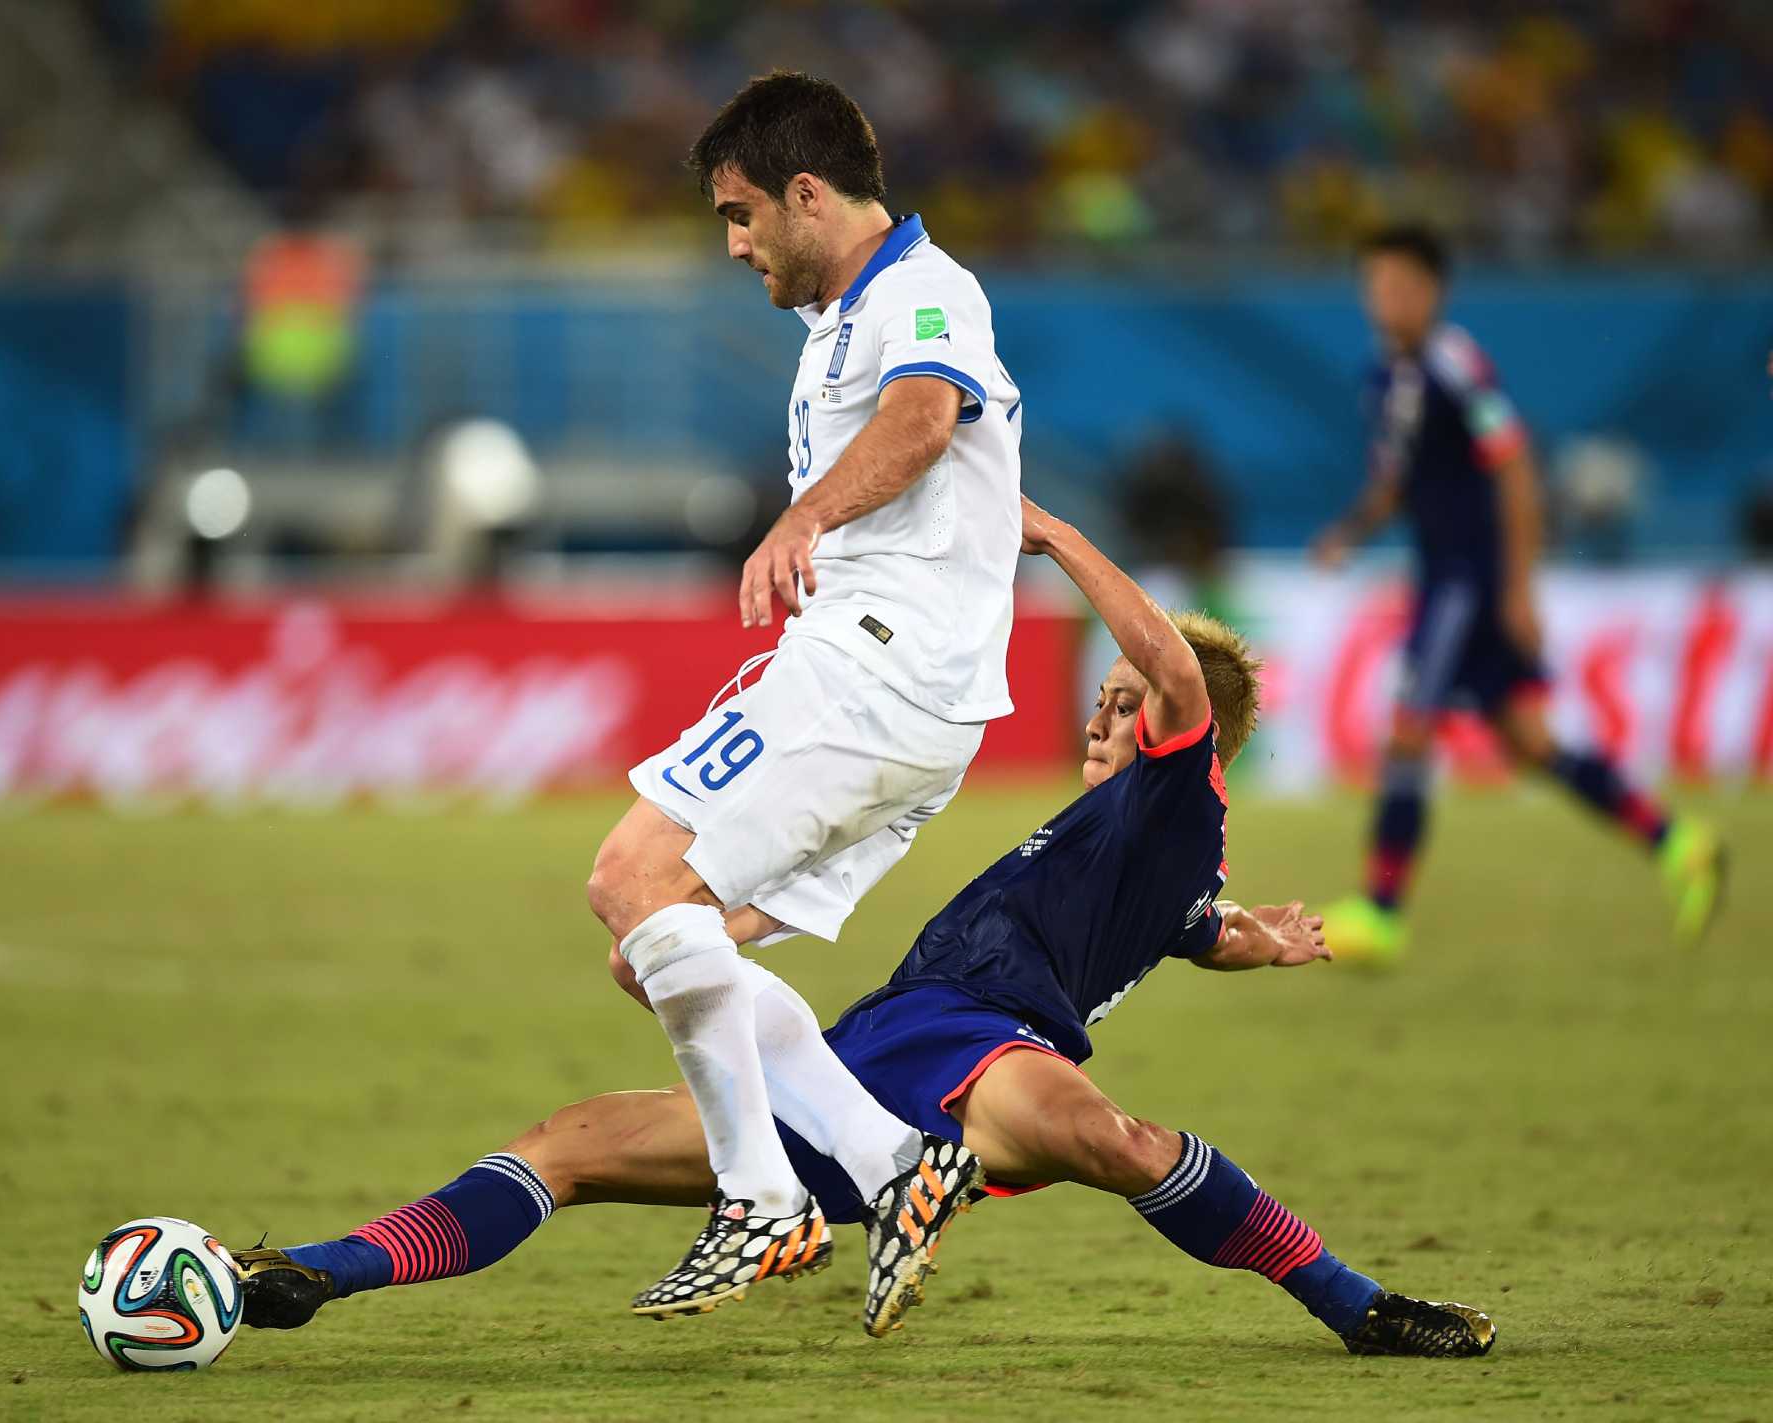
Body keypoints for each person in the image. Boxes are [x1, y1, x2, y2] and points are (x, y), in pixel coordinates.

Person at [231, 501, 1496, 1359]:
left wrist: (1052, 536)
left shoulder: (1175, 792)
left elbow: (1172, 675)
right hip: (866, 1056)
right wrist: (1243, 938)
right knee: (570, 1141)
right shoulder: (1141, 850)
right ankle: (314, 1272)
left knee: (1109, 1138)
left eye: (1121, 707)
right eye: (1102, 704)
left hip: (995, 1055)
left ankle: (1358, 1307)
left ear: (1188, 739)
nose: (1103, 720)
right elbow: (1181, 925)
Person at [580, 72, 1024, 1332]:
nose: (733, 244)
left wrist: (804, 515)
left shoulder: (922, 292)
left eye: (740, 213)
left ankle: (760, 1199)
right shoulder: (842, 317)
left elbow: (926, 416)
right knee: (657, 952)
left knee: (630, 876)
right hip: (908, 697)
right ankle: (893, 1163)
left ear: (808, 194)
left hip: (871, 670)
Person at [1314, 224, 1724, 964]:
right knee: (1531, 744)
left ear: (1433, 292)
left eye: (1403, 285)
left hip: (1469, 582)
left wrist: (1519, 587)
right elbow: (1395, 481)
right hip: (1447, 578)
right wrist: (1347, 532)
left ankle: (1380, 912)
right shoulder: (1387, 379)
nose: (1388, 299)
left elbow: (1514, 466)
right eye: (1377, 285)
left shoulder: (1455, 365)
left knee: (1409, 730)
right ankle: (1679, 842)